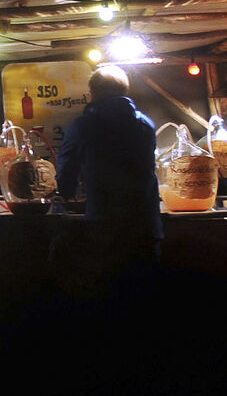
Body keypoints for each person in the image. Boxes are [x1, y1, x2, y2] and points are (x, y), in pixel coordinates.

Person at [56, 64, 162, 288]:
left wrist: (65, 195)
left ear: (93, 93)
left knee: (109, 288)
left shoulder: (84, 125)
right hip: (145, 223)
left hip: (104, 223)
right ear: (125, 91)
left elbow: (67, 166)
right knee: (146, 290)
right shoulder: (145, 124)